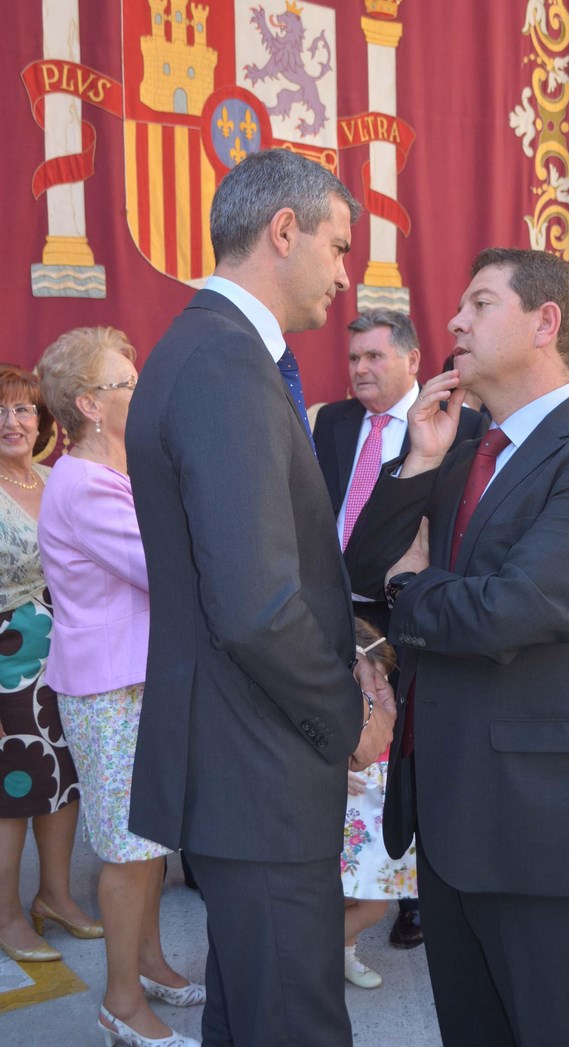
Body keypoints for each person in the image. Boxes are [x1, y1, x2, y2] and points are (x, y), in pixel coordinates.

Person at [345, 247, 569, 1047]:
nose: (454, 321)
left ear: (545, 323)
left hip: (540, 828)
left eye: (479, 303)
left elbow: (518, 611)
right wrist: (416, 459)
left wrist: (415, 591)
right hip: (449, 818)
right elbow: (363, 567)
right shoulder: (460, 446)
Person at [125, 148, 395, 1047]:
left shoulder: (214, 351)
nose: (346, 272)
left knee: (254, 1014)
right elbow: (255, 603)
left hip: (246, 757)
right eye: (338, 244)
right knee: (295, 1020)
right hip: (262, 764)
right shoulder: (222, 364)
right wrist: (344, 714)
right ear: (285, 231)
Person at [37, 328, 202, 1047]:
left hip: (138, 678)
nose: (141, 389)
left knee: (151, 838)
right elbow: (161, 566)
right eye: (125, 382)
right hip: (111, 686)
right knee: (128, 850)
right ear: (89, 404)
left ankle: (151, 962)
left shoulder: (118, 471)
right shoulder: (82, 483)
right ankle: (121, 1003)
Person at [314, 310, 486, 949]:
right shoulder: (332, 421)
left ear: (414, 361)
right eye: (354, 357)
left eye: (375, 357)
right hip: (338, 607)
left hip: (407, 611)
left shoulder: (463, 428)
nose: (360, 368)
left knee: (415, 747)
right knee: (363, 748)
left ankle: (418, 895)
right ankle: (363, 876)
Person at [0, 364, 101, 964]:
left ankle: (56, 896)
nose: (12, 422)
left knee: (64, 781)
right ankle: (8, 917)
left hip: (68, 654)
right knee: (12, 792)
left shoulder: (53, 477)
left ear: (42, 421)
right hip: (9, 664)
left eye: (22, 410)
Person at [342, 619, 417, 988]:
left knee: (365, 897)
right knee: (363, 901)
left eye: (384, 681)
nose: (378, 691)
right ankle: (317, 951)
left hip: (376, 815)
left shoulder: (386, 702)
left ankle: (341, 952)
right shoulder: (336, 707)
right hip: (346, 817)